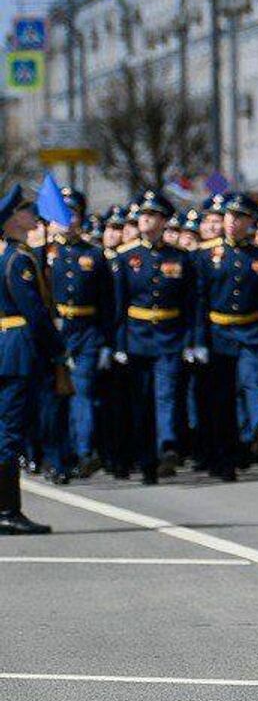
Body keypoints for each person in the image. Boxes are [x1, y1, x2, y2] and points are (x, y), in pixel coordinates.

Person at [198, 194, 258, 483]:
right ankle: (225, 458)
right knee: (222, 400)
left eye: (240, 218)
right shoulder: (206, 256)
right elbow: (199, 302)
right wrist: (198, 341)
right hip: (218, 334)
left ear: (250, 222)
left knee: (254, 382)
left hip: (252, 331)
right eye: (229, 217)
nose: (233, 223)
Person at [115, 191, 197, 486]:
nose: (145, 220)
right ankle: (146, 460)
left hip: (169, 336)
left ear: (164, 221)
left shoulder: (180, 258)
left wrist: (191, 341)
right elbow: (118, 307)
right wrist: (119, 345)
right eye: (142, 216)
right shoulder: (125, 257)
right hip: (137, 337)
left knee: (166, 396)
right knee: (141, 402)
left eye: (151, 216)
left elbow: (190, 304)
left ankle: (167, 447)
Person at [0, 185, 61, 536]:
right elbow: (35, 314)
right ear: (10, 220)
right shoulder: (17, 259)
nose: (32, 217)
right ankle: (8, 510)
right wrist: (56, 348)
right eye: (25, 212)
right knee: (9, 433)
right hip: (15, 350)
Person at [44, 194, 112, 485]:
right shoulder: (42, 253)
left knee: (81, 392)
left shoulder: (95, 255)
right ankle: (55, 456)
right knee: (54, 398)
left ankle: (83, 452)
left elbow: (108, 302)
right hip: (55, 331)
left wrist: (107, 342)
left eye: (73, 214)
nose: (68, 220)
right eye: (62, 214)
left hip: (86, 331)